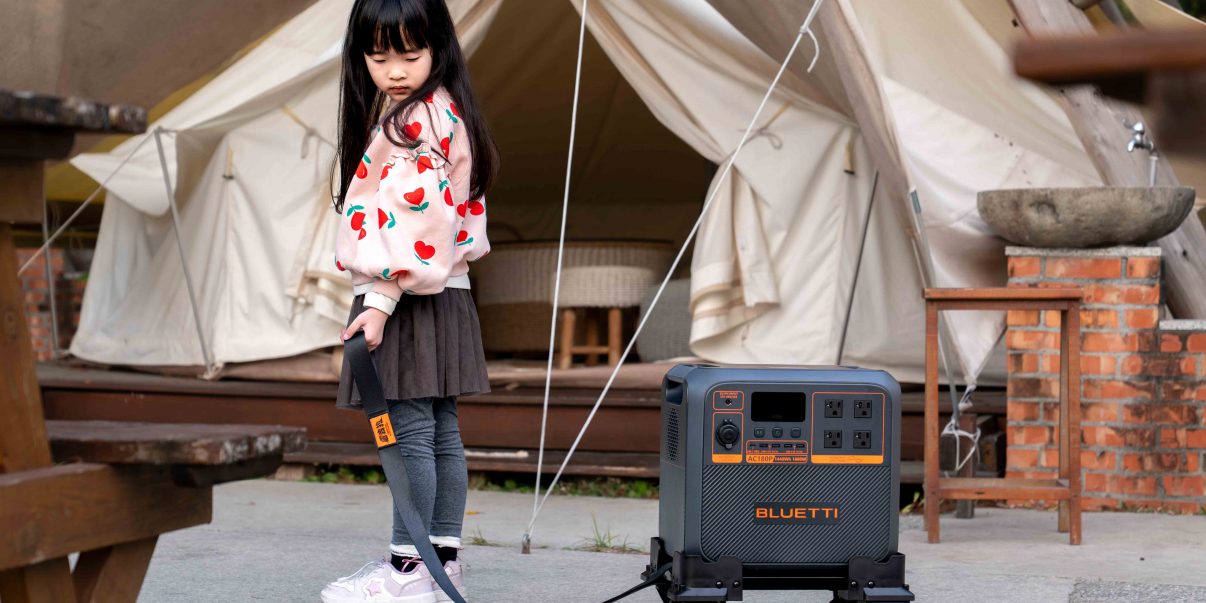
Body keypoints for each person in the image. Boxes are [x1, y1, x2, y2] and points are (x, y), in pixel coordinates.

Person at [322, 0, 497, 601]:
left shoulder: (414, 122)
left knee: (410, 435)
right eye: (378, 57)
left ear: (438, 48)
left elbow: (414, 225)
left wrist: (379, 300)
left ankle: (408, 570)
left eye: (409, 54)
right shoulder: (447, 109)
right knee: (441, 433)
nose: (394, 70)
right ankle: (440, 562)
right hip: (447, 294)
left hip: (406, 296)